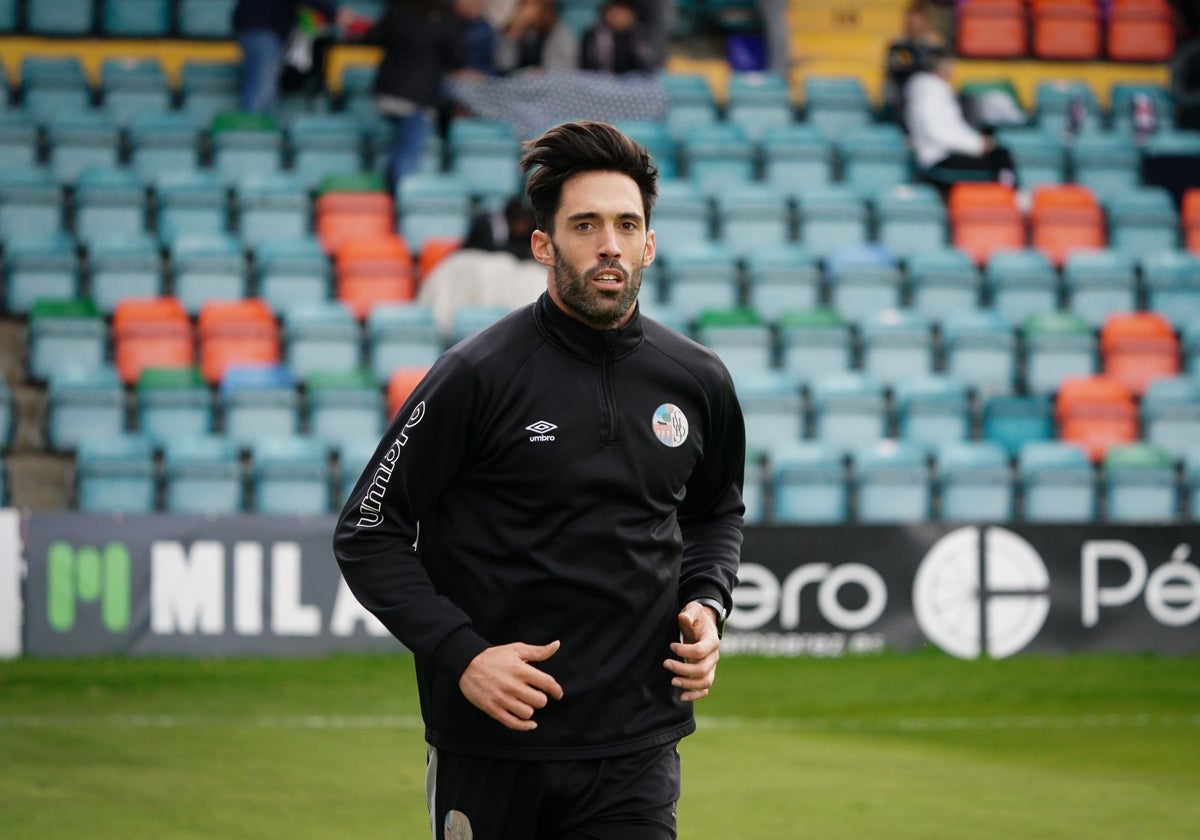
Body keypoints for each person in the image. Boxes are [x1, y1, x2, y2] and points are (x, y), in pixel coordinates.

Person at [334, 120, 745, 839]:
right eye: (585, 225)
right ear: (543, 245)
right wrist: (463, 656)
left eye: (627, 224)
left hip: (635, 749)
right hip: (493, 747)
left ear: (650, 243)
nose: (609, 243)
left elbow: (716, 514)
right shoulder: (476, 375)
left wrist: (707, 605)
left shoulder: (698, 379)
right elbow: (368, 531)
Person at [356, 0, 465, 191]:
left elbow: (373, 37)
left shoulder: (398, 8)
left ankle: (388, 191)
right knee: (408, 154)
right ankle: (400, 200)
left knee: (399, 147)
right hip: (417, 97)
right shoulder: (445, 14)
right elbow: (458, 57)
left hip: (387, 92)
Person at [904, 46, 1017, 192]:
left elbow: (951, 128)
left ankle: (1004, 197)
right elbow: (937, 132)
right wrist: (977, 145)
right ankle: (1010, 197)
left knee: (1000, 153)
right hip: (939, 157)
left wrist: (977, 142)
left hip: (943, 152)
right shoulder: (930, 92)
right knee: (1000, 156)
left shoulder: (931, 90)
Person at [232, 0, 349, 112]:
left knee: (261, 81)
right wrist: (334, 13)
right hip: (261, 27)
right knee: (263, 83)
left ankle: (255, 125)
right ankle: (252, 127)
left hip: (255, 26)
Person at [883, 0, 944, 122]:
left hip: (930, 94)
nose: (913, 25)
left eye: (917, 22)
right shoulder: (897, 46)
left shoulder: (936, 46)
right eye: (911, 22)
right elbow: (895, 71)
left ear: (926, 23)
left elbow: (942, 73)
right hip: (904, 94)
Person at [494, 0, 579, 75]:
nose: (527, 11)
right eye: (524, 5)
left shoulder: (559, 31)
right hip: (519, 83)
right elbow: (504, 65)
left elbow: (566, 69)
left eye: (532, 5)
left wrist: (542, 73)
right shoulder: (513, 31)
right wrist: (514, 32)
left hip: (548, 84)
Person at [580, 0, 657, 76]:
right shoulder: (593, 34)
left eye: (623, 11)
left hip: (632, 82)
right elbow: (588, 66)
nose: (618, 15)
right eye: (615, 10)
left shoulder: (638, 35)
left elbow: (647, 66)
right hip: (599, 80)